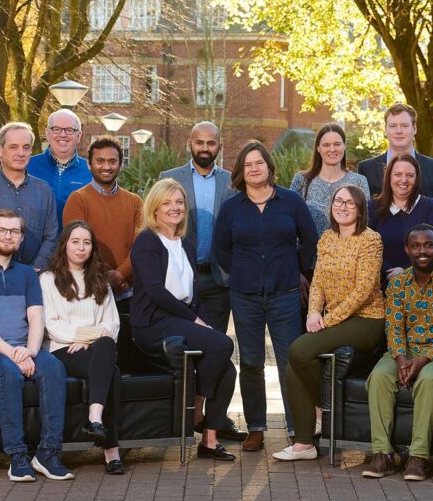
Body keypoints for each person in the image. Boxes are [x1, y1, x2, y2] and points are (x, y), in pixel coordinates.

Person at [213, 140, 318, 451]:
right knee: (251, 361)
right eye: (248, 165)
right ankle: (256, 428)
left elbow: (310, 241)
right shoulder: (232, 207)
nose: (254, 169)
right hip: (244, 295)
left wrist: (294, 270)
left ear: (270, 168)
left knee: (290, 362)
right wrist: (243, 273)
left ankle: (295, 428)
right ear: (241, 173)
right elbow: (221, 249)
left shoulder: (290, 201)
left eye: (259, 163)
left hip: (285, 293)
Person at [0, 209, 73, 482]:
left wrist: (30, 351)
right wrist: (13, 354)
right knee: (8, 372)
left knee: (54, 368)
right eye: (1, 230)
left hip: (25, 347)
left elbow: (36, 317)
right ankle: (17, 455)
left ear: (21, 239)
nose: (7, 236)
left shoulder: (28, 274)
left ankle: (47, 453)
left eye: (14, 231)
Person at [273, 185, 384, 462]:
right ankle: (304, 444)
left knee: (299, 350)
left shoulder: (371, 240)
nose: (342, 206)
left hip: (367, 319)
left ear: (360, 209)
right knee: (292, 370)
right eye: (338, 201)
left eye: (349, 203)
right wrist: (313, 313)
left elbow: (364, 290)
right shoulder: (327, 238)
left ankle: (325, 407)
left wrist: (327, 320)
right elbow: (319, 281)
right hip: (332, 317)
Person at [130, 179, 238, 462]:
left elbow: (193, 294)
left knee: (227, 370)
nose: (174, 208)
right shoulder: (146, 241)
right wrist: (194, 320)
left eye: (179, 202)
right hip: (153, 321)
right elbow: (155, 291)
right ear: (154, 208)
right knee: (223, 344)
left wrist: (201, 320)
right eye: (167, 203)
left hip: (179, 317)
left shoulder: (186, 245)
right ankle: (196, 409)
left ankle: (210, 441)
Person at [159, 121, 247, 441]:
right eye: (200, 142)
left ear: (220, 146)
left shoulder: (232, 183)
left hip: (219, 280)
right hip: (182, 281)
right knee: (189, 348)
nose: (205, 148)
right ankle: (190, 416)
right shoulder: (169, 179)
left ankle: (213, 418)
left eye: (211, 142)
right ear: (189, 144)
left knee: (217, 347)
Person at [362, 224, 433, 481]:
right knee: (378, 376)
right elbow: (394, 326)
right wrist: (400, 359)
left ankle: (418, 457)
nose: (423, 251)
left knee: (429, 379)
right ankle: (383, 455)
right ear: (406, 250)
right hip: (404, 351)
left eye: (429, 245)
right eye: (417, 246)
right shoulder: (398, 283)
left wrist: (422, 360)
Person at [40, 221, 126, 475]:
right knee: (113, 373)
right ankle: (111, 450)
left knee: (107, 344)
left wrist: (88, 340)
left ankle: (95, 420)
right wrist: (88, 337)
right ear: (65, 245)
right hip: (61, 349)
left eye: (86, 243)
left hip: (94, 348)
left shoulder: (100, 279)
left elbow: (112, 324)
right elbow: (51, 325)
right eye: (75, 242)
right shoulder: (49, 279)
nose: (81, 247)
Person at [62, 137, 142, 360]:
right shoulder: (78, 199)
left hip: (128, 291)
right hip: (90, 290)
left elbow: (140, 244)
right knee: (99, 354)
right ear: (89, 164)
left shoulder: (135, 201)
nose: (106, 166)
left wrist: (121, 274)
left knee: (127, 355)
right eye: (100, 161)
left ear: (120, 163)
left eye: (112, 161)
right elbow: (76, 243)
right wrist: (107, 275)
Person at [0, 122, 58, 270]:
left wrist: (33, 270)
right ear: (0, 150)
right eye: (13, 147)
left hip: (37, 277)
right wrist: (4, 269)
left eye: (26, 147)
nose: (21, 153)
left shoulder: (44, 191)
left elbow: (51, 236)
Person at [357, 103, 433, 232]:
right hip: (380, 249)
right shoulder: (366, 168)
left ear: (414, 128)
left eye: (404, 126)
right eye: (393, 126)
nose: (399, 131)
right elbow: (362, 216)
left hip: (423, 250)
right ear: (385, 130)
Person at [368, 154, 433, 284]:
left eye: (410, 175)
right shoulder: (373, 207)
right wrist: (388, 271)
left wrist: (407, 271)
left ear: (417, 178)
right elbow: (367, 246)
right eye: (398, 174)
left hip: (420, 284)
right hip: (379, 284)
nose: (404, 180)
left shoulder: (430, 206)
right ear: (388, 177)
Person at [289, 123, 370, 237]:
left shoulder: (359, 181)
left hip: (348, 251)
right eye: (326, 145)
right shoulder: (302, 180)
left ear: (344, 146)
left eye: (337, 144)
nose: (332, 149)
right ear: (318, 148)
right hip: (310, 252)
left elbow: (364, 222)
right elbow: (291, 221)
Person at [28, 109, 92, 233]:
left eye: (69, 130)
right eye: (56, 129)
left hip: (76, 248)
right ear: (47, 133)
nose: (62, 135)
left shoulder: (90, 171)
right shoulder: (28, 166)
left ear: (79, 136)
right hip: (35, 249)